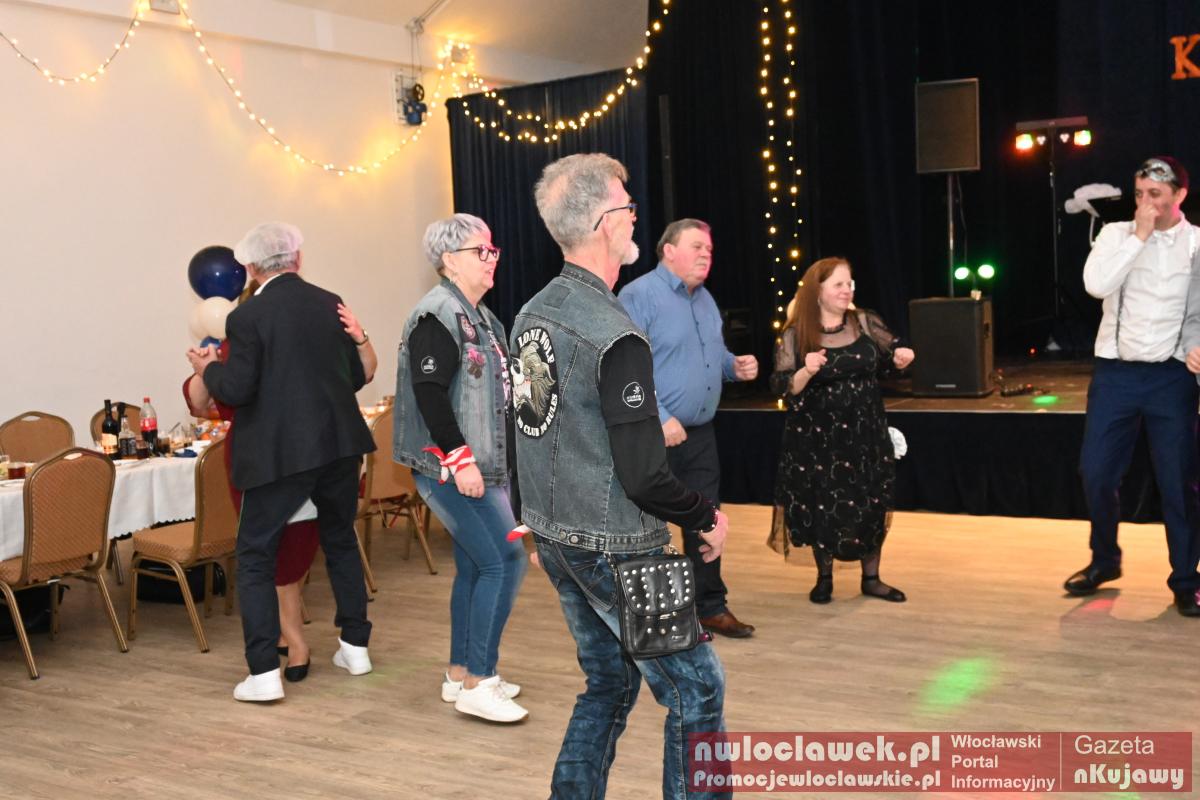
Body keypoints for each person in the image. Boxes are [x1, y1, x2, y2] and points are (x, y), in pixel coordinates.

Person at [512, 153, 730, 800]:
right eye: (628, 208)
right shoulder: (615, 334)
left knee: (609, 682)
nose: (636, 218)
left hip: (559, 538)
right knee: (698, 688)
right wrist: (705, 516)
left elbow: (525, 429)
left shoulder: (532, 313)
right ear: (606, 222)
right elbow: (643, 477)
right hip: (619, 547)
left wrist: (535, 524)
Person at [188, 221, 376, 701]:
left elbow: (235, 390)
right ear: (298, 258)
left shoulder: (247, 317)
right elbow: (354, 376)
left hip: (280, 455)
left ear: (251, 269)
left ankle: (262, 674)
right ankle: (355, 647)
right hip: (340, 446)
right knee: (340, 541)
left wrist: (209, 368)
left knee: (255, 556)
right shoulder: (329, 302)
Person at [393, 213, 529, 723]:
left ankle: (460, 672)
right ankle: (480, 681)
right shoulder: (437, 315)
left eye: (493, 250)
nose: (492, 259)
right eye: (481, 251)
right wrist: (460, 458)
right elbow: (429, 393)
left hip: (486, 467)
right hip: (452, 469)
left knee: (476, 565)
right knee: (506, 560)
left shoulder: (482, 317)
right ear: (450, 260)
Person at [618, 219, 758, 638]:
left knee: (706, 519)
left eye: (709, 249)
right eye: (697, 246)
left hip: (700, 435)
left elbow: (709, 355)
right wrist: (660, 416)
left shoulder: (706, 299)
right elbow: (625, 367)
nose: (706, 254)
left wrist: (733, 366)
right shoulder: (638, 296)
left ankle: (710, 606)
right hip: (653, 434)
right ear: (668, 250)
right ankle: (659, 617)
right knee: (650, 527)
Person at [1074, 156, 1200, 617]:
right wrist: (1139, 236)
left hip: (1171, 376)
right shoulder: (1116, 235)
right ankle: (1105, 560)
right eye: (1140, 194)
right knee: (1096, 472)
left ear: (1180, 196)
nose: (1145, 203)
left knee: (1178, 482)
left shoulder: (1197, 243)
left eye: (1156, 195)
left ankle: (1186, 579)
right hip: (1117, 373)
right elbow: (1096, 285)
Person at [768, 257, 914, 604]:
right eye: (838, 284)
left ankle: (872, 579)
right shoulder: (796, 333)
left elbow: (889, 355)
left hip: (866, 434)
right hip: (819, 439)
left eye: (849, 283)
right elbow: (782, 386)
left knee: (871, 500)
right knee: (824, 503)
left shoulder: (864, 321)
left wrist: (901, 356)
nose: (847, 289)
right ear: (817, 290)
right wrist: (806, 370)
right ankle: (824, 578)